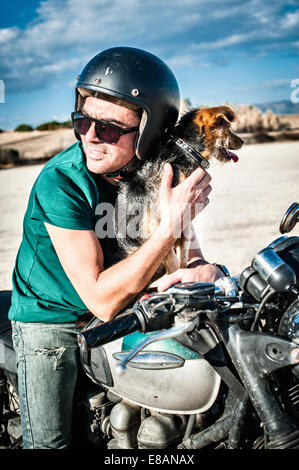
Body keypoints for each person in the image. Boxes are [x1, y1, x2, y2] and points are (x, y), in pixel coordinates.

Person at [8, 46, 221, 449]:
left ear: (150, 130)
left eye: (107, 128)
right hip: (52, 316)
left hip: (129, 302)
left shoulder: (160, 170)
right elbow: (101, 301)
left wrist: (203, 268)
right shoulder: (62, 181)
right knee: (51, 444)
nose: (89, 137)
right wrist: (170, 226)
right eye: (82, 121)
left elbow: (189, 251)